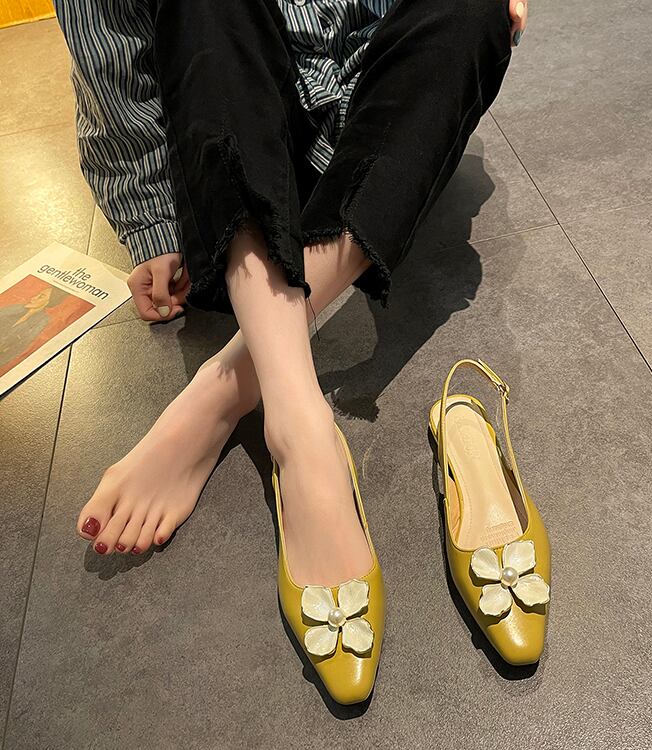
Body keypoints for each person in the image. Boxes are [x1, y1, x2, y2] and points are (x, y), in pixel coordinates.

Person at [55, 0, 528, 701]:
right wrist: (153, 223)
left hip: (375, 127)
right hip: (232, 131)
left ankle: (229, 383)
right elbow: (111, 46)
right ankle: (302, 429)